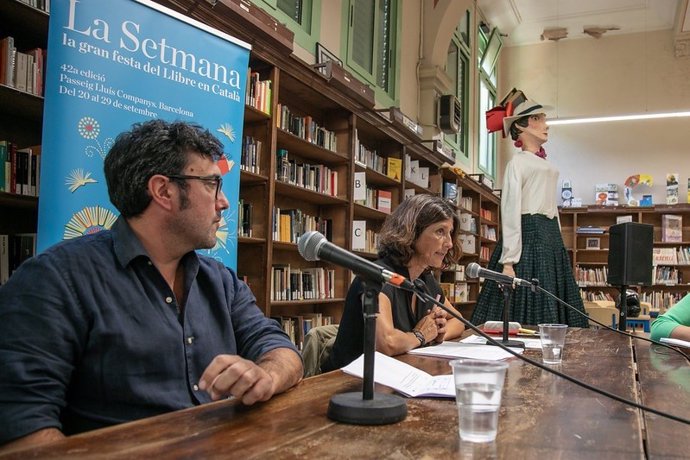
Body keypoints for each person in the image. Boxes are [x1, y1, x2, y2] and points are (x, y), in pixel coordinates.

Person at [0, 120, 303, 451]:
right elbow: (23, 430)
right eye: (212, 184)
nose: (224, 203)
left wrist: (267, 374)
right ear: (163, 191)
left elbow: (280, 347)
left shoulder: (222, 281)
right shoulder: (55, 279)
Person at [471, 95, 588, 327]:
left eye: (544, 118)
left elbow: (551, 207)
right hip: (529, 235)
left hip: (551, 237)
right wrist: (508, 261)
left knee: (551, 292)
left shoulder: (546, 165)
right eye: (537, 118)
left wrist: (556, 237)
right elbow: (511, 209)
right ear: (520, 126)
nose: (546, 124)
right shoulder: (518, 163)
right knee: (529, 296)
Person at [323, 194, 466, 372]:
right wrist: (421, 335)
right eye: (440, 232)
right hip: (348, 382)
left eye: (450, 233)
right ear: (412, 233)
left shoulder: (425, 281)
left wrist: (438, 332)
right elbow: (386, 343)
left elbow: (459, 322)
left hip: (395, 375)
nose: (450, 244)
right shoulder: (377, 276)